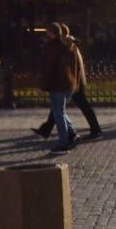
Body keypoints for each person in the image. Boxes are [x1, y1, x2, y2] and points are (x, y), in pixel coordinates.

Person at [33, 25, 101, 141]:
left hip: (74, 82)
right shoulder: (68, 45)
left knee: (68, 108)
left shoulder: (69, 45)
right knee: (59, 108)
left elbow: (75, 66)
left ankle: (93, 130)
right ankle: (47, 130)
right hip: (73, 82)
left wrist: (77, 83)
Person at [40, 23, 82, 155]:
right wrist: (76, 82)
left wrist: (44, 85)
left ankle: (63, 142)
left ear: (51, 33)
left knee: (58, 113)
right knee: (60, 112)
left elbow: (49, 68)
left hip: (57, 84)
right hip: (68, 83)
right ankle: (72, 133)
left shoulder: (52, 47)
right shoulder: (69, 46)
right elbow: (76, 65)